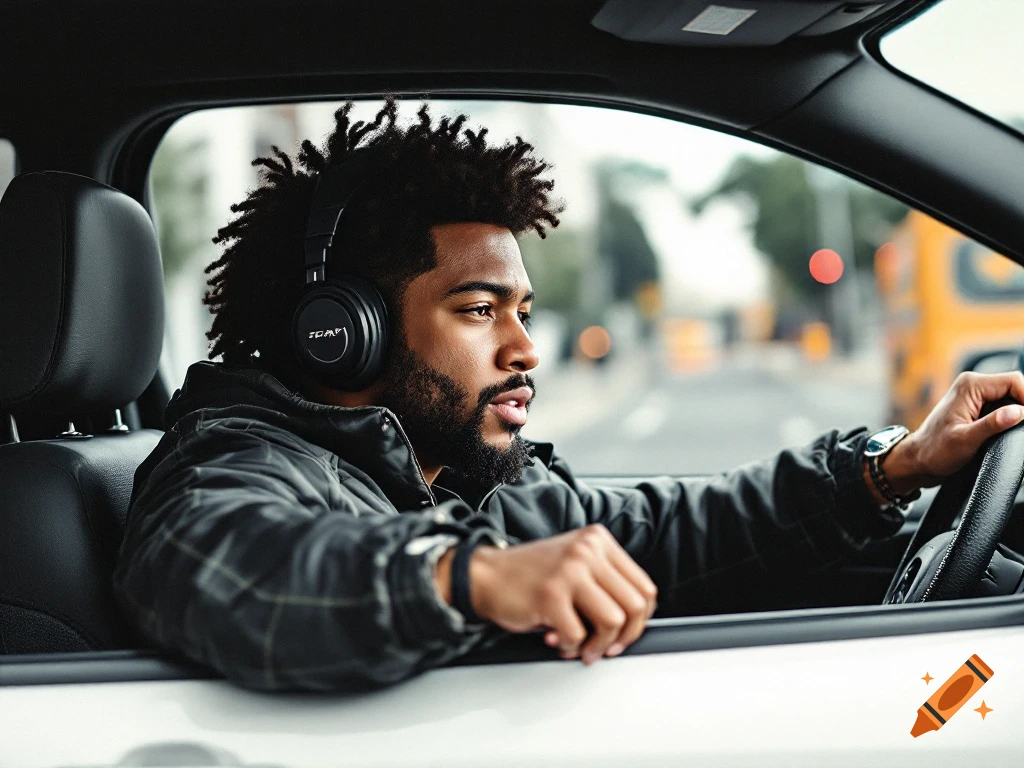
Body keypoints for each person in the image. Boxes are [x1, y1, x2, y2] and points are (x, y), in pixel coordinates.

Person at [113, 97, 1024, 692]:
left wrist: (891, 469)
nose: (524, 350)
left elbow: (673, 532)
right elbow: (229, 567)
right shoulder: (238, 458)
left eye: (524, 311)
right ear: (344, 331)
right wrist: (470, 576)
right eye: (480, 310)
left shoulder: (463, 476)